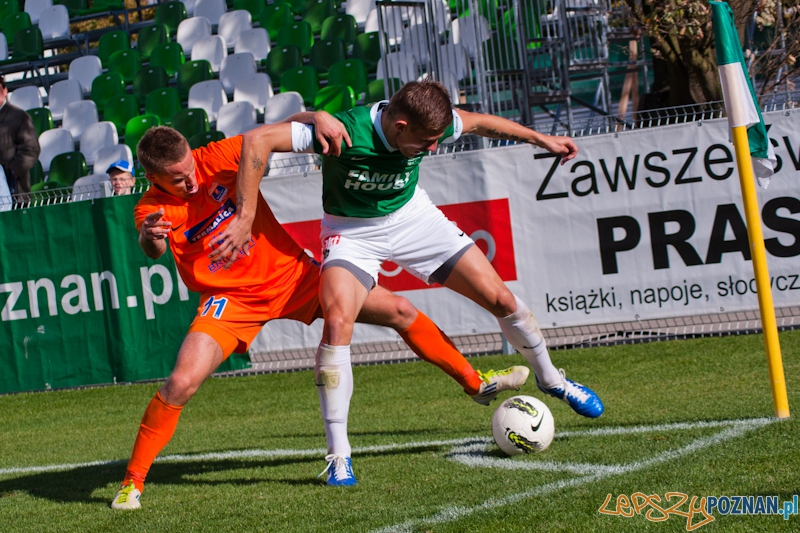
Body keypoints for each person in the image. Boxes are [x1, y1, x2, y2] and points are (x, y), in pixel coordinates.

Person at [111, 121, 528, 509]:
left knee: (400, 309)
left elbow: (277, 133)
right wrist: (150, 238)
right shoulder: (152, 207)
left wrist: (316, 115)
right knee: (181, 382)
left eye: (189, 169)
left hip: (296, 278)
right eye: (178, 178)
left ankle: (476, 383)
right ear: (155, 178)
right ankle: (133, 481)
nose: (191, 180)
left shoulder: (215, 158)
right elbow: (155, 249)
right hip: (231, 301)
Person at [217, 80, 605, 487]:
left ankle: (553, 381)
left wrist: (540, 138)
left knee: (500, 297)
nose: (433, 148)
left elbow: (480, 124)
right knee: (336, 324)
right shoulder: (343, 131)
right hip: (352, 233)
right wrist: (245, 216)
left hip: (413, 219)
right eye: (427, 141)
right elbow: (258, 140)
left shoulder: (427, 123)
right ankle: (339, 456)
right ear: (399, 125)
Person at [0, 77, 41, 202]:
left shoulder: (19, 116)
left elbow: (31, 149)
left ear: (5, 90)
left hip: (15, 188)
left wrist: (12, 171)